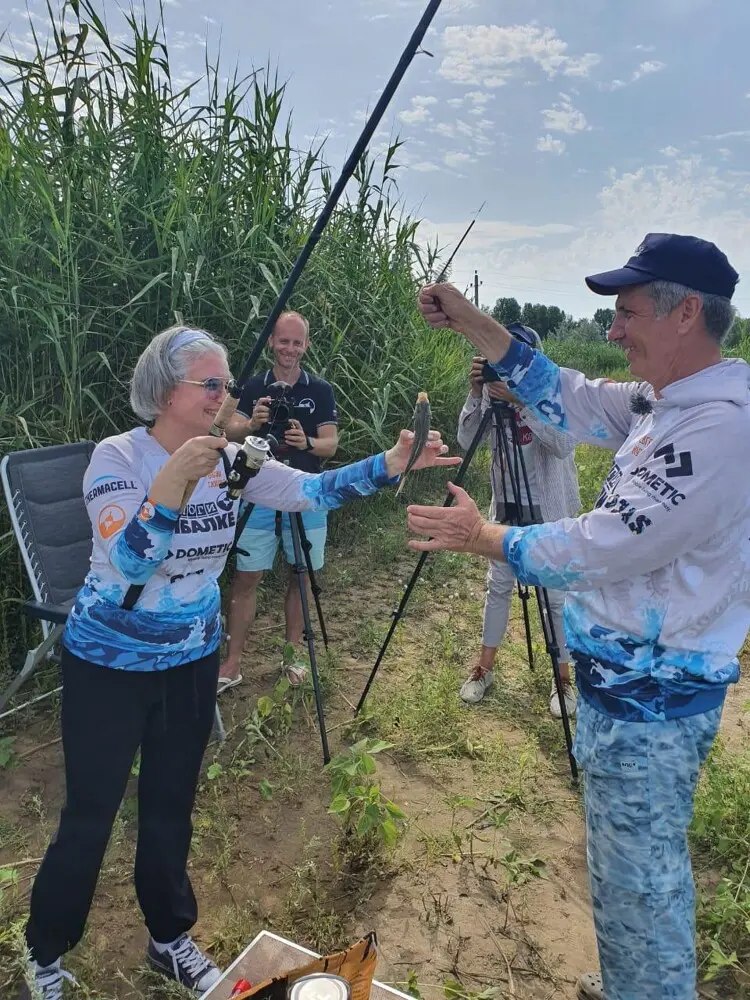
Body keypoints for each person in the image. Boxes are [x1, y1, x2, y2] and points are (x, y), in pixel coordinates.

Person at [20, 324, 458, 1000]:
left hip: (191, 661)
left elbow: (311, 492)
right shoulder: (116, 459)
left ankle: (169, 939)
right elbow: (133, 558)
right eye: (214, 384)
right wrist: (174, 480)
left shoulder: (235, 463)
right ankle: (44, 955)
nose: (230, 394)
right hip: (106, 666)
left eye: (227, 383)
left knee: (171, 805)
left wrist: (392, 464)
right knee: (91, 813)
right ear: (168, 392)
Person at [409, 233, 750, 1000]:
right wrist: (474, 323)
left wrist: (485, 537)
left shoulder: (719, 427)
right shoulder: (663, 401)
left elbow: (611, 543)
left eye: (627, 312)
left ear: (686, 312)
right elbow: (561, 391)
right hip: (622, 693)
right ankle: (632, 980)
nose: (613, 329)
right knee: (625, 874)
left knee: (644, 886)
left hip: (652, 710)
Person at [455, 323, 580, 716]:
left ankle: (564, 679)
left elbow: (563, 444)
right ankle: (484, 668)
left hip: (548, 510)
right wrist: (477, 393)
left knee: (554, 598)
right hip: (506, 505)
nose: (506, 371)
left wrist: (522, 400)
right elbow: (466, 438)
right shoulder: (492, 397)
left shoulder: (549, 394)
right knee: (499, 586)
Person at [220, 311, 338, 690]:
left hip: (305, 491)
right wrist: (252, 424)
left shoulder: (319, 389)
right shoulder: (255, 385)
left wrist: (308, 443)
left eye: (297, 342)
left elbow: (331, 445)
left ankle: (292, 655)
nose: (289, 349)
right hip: (258, 491)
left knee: (301, 575)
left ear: (306, 345)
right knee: (246, 576)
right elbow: (229, 430)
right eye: (283, 341)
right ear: (271, 342)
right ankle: (233, 661)